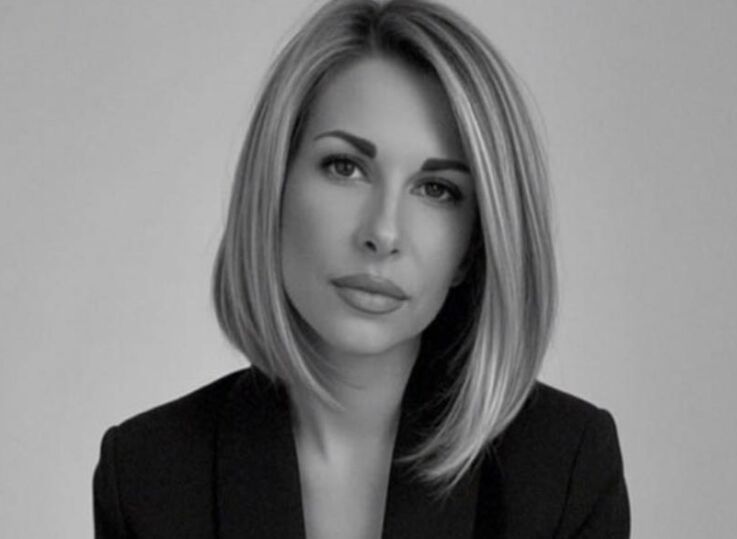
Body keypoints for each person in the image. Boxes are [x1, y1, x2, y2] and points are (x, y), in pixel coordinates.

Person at [93, 0, 630, 537]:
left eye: (437, 189)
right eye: (345, 167)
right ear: (274, 188)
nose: (383, 232)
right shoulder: (147, 475)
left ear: (473, 247)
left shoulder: (565, 468)